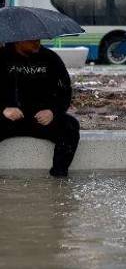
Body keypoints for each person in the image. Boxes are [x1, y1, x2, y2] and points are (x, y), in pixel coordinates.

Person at [0, 39, 81, 177]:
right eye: (32, 40)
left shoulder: (50, 58)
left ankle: (59, 176)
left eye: (38, 39)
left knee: (71, 126)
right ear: (18, 41)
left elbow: (65, 92)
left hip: (41, 119)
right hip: (8, 118)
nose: (37, 43)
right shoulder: (2, 56)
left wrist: (52, 111)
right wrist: (3, 109)